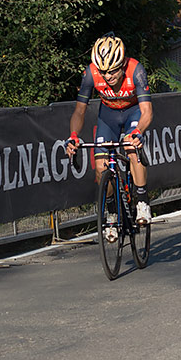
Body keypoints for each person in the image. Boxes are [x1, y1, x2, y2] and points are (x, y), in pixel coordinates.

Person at [66, 36, 155, 228]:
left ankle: (141, 201)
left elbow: (147, 111)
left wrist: (138, 131)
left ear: (122, 64)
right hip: (108, 116)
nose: (108, 76)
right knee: (100, 166)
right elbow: (79, 111)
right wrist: (73, 136)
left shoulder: (136, 70)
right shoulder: (90, 73)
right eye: (103, 72)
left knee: (131, 148)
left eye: (113, 70)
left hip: (133, 112)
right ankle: (112, 210)